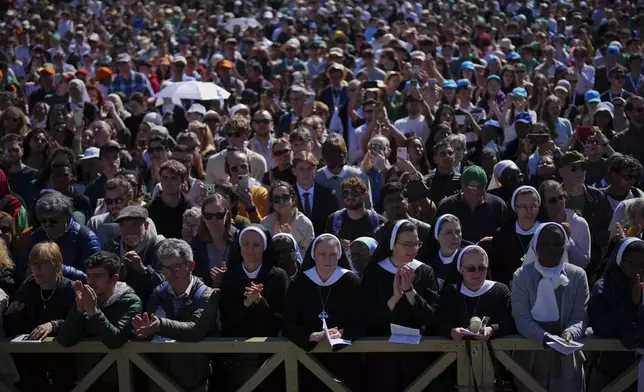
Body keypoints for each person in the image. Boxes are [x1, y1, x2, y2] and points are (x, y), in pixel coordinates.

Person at [362, 219, 440, 392]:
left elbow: (432, 317)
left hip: (416, 356)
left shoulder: (425, 272)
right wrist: (395, 298)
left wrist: (410, 291)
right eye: (407, 244)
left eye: (416, 244)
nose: (413, 250)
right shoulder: (374, 273)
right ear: (393, 245)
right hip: (382, 357)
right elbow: (367, 319)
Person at [131, 238, 219, 392]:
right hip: (158, 376)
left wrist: (160, 325)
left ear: (190, 266)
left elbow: (195, 330)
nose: (169, 273)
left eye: (176, 267)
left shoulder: (206, 294)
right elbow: (149, 326)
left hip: (193, 381)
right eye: (165, 268)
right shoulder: (159, 292)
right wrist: (143, 331)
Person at [511, 222, 589, 392]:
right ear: (536, 246)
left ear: (565, 246)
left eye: (557, 244)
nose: (551, 248)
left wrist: (569, 334)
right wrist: (545, 337)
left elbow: (580, 316)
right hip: (531, 358)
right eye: (546, 244)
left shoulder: (578, 276)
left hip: (567, 358)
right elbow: (521, 318)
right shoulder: (521, 276)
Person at [282, 233, 363, 391]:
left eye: (333, 254)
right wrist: (313, 336)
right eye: (322, 254)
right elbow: (287, 324)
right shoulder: (300, 282)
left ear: (339, 255)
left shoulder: (351, 281)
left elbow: (361, 322)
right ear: (313, 255)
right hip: (307, 360)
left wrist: (342, 333)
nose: (327, 259)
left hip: (345, 360)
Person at [57, 251, 142, 391]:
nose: (91, 282)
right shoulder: (85, 298)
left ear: (114, 279)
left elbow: (115, 340)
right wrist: (78, 311)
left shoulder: (131, 302)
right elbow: (65, 340)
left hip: (119, 382)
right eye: (89, 276)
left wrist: (94, 313)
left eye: (98, 276)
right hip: (86, 381)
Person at [220, 225, 289, 390]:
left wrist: (259, 301)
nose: (250, 249)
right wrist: (246, 303)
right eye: (245, 244)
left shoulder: (278, 275)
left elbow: (281, 318)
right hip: (237, 352)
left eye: (256, 245)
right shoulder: (230, 276)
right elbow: (226, 318)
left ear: (265, 247)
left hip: (271, 352)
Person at [4, 242, 76, 391]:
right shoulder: (27, 287)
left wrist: (53, 325)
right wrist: (13, 313)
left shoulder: (71, 288)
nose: (35, 268)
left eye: (42, 263)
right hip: (33, 364)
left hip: (65, 361)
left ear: (57, 265)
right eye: (33, 264)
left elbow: (79, 322)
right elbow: (14, 328)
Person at [588, 237, 644, 392]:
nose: (642, 269)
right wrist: (631, 305)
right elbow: (602, 328)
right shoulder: (603, 289)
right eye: (638, 264)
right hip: (608, 373)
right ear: (622, 263)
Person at [21, 191, 101, 282]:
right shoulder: (35, 237)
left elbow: (94, 277)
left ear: (66, 218)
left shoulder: (86, 238)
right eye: (43, 221)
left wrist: (56, 268)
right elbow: (22, 270)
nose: (47, 224)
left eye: (53, 220)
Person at [105, 206, 165, 307]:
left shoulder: (160, 247)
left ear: (146, 226)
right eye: (123, 225)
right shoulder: (114, 247)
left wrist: (144, 271)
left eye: (135, 225)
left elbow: (167, 283)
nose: (129, 231)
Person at [435, 165, 507, 243]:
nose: (475, 192)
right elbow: (435, 237)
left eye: (479, 188)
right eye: (471, 188)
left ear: (485, 187)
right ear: (462, 186)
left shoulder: (498, 206)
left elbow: (507, 235)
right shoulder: (447, 206)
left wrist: (494, 240)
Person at [490, 186, 542, 285]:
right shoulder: (502, 234)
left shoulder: (546, 231)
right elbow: (495, 267)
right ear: (515, 208)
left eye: (533, 206)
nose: (529, 211)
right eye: (523, 206)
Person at [87, 177, 157, 248]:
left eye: (118, 200)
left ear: (129, 199)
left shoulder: (144, 222)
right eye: (109, 201)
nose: (114, 205)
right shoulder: (95, 222)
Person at [539, 180, 591, 269]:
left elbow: (584, 263)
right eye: (552, 200)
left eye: (561, 197)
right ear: (544, 203)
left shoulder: (580, 223)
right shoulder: (540, 225)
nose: (559, 202)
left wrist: (568, 240)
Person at [191, 194, 238, 289]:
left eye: (219, 215)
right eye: (208, 216)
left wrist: (226, 278)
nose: (214, 220)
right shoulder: (196, 244)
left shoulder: (239, 239)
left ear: (227, 215)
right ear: (203, 217)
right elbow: (193, 278)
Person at [375, 182, 432, 260]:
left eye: (399, 199)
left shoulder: (425, 230)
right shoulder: (378, 234)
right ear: (384, 205)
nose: (395, 204)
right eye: (390, 200)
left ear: (407, 201)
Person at [314, 134, 373, 209]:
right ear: (324, 160)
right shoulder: (316, 178)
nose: (336, 169)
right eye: (331, 166)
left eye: (340, 165)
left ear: (345, 157)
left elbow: (369, 209)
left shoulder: (360, 177)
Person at [205, 115, 268, 184]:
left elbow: (263, 189)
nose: (232, 138)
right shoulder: (214, 161)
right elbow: (209, 187)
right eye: (229, 134)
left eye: (237, 134)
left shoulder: (259, 161)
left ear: (247, 134)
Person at [325, 176, 386, 245]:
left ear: (365, 195)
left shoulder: (379, 222)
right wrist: (336, 243)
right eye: (345, 193)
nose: (350, 196)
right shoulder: (333, 220)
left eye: (355, 193)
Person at [145, 160, 197, 239]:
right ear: (160, 179)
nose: (168, 182)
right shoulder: (148, 210)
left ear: (182, 181)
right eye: (165, 177)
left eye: (173, 178)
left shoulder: (193, 210)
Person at [292, 151, 339, 237]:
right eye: (301, 169)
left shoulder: (328, 195)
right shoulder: (287, 195)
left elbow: (335, 225)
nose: (306, 173)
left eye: (309, 169)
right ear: (294, 171)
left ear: (315, 170)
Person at [261, 181, 314, 251]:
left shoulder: (305, 224)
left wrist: (290, 240)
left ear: (293, 199)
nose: (281, 202)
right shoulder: (265, 223)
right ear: (272, 203)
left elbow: (308, 256)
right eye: (276, 199)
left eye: (285, 197)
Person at [224, 148, 269, 222]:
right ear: (228, 172)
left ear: (249, 168)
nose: (240, 171)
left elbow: (264, 226)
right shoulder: (225, 194)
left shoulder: (261, 192)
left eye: (243, 166)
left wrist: (250, 206)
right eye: (234, 168)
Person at [426, 214, 467, 290]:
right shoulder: (429, 264)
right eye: (449, 233)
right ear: (437, 235)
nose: (455, 237)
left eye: (458, 232)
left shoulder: (468, 260)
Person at [84, 140, 122, 211]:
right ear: (100, 162)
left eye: (115, 157)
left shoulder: (130, 180)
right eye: (107, 157)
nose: (112, 161)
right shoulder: (93, 189)